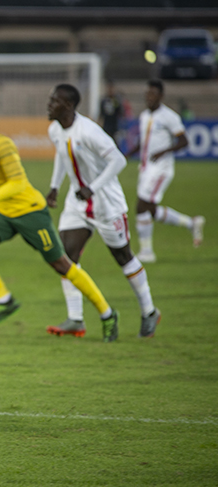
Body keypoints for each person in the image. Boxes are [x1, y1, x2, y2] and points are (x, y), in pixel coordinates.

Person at [0, 102, 118, 337]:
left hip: (30, 211)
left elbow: (18, 182)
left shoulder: (1, 145)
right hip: (3, 212)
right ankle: (4, 300)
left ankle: (107, 314)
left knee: (61, 265)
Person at [46, 84, 160, 339]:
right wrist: (54, 187)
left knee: (123, 256)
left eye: (55, 101)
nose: (49, 104)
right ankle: (75, 318)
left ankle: (149, 310)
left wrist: (93, 187)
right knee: (65, 257)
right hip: (78, 203)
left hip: (106, 203)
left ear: (69, 106)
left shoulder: (89, 132)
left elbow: (118, 160)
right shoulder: (55, 128)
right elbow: (61, 155)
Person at [125, 79, 204, 262]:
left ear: (161, 96)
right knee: (150, 210)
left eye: (152, 94)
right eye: (147, 94)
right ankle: (191, 223)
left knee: (141, 206)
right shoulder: (145, 115)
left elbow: (184, 141)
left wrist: (164, 152)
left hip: (161, 169)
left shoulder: (169, 116)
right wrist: (127, 154)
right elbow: (143, 142)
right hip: (146, 168)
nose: (149, 98)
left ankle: (147, 252)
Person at [97, 79, 130, 146]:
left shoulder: (116, 100)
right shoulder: (104, 101)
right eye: (109, 88)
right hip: (106, 128)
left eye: (111, 88)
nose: (110, 90)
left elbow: (121, 113)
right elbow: (101, 115)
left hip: (115, 129)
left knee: (115, 146)